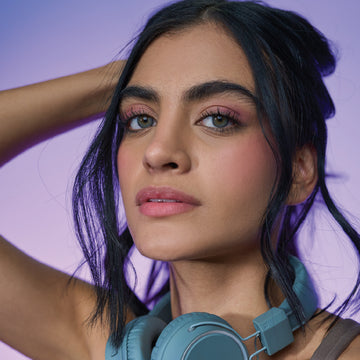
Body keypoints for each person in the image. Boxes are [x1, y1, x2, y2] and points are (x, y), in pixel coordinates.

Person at [1, 0, 360, 359]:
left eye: (218, 119)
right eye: (141, 119)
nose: (157, 152)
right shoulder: (105, 345)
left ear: (298, 170)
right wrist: (130, 78)